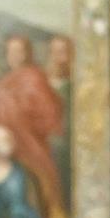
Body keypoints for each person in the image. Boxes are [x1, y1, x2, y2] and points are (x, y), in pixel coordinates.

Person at [0, 35, 65, 205]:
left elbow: (50, 116)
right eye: (10, 51)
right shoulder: (6, 81)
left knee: (36, 194)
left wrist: (0, 95)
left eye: (19, 51)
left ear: (28, 54)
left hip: (30, 146)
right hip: (6, 150)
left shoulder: (35, 78)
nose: (14, 55)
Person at [45, 34, 74, 207]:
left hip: (67, 147)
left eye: (63, 52)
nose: (59, 59)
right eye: (54, 53)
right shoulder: (43, 83)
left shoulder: (77, 85)